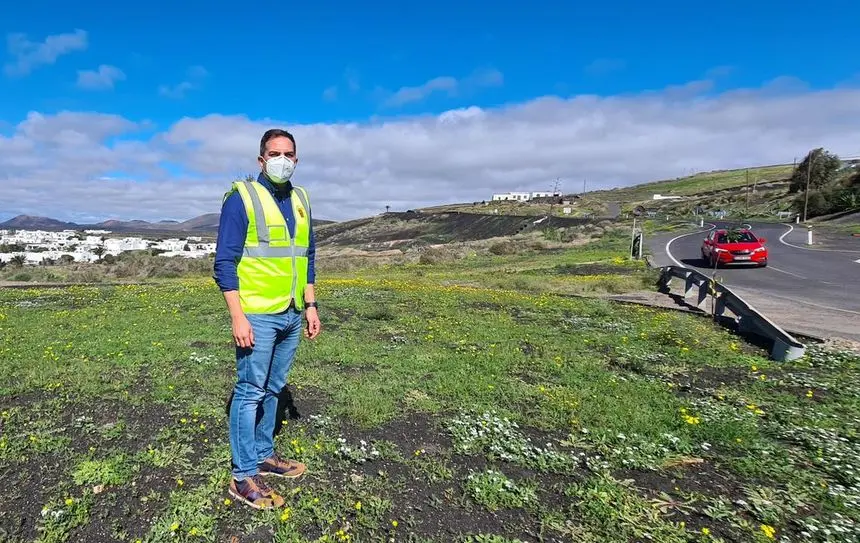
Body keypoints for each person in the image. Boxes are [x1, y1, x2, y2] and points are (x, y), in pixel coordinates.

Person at [213, 128, 322, 510]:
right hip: (257, 315)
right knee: (250, 391)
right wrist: (237, 317)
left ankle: (263, 454)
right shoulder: (241, 198)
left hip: (292, 312)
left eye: (289, 154)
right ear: (261, 159)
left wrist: (310, 305)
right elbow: (223, 264)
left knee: (275, 387)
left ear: (297, 159)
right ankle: (242, 476)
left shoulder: (302, 199)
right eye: (274, 153)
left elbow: (306, 256)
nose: (282, 160)